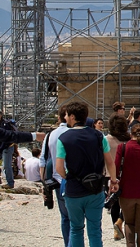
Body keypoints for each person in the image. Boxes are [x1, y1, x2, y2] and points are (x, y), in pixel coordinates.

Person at [55, 101, 119, 247]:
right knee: (95, 230)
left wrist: (68, 177)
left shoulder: (63, 139)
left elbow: (59, 168)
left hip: (74, 190)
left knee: (76, 229)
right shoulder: (98, 136)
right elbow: (110, 162)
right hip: (95, 189)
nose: (65, 118)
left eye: (66, 115)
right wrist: (113, 181)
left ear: (72, 116)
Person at [40, 105, 70, 246]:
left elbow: (44, 159)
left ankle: (67, 243)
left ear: (59, 117)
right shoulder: (73, 133)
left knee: (65, 217)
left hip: (57, 179)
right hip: (74, 179)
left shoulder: (50, 135)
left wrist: (44, 183)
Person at [106, 114, 132, 240]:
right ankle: (121, 221)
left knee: (114, 203)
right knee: (127, 203)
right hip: (127, 175)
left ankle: (116, 229)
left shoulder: (106, 139)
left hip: (109, 175)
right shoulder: (129, 141)